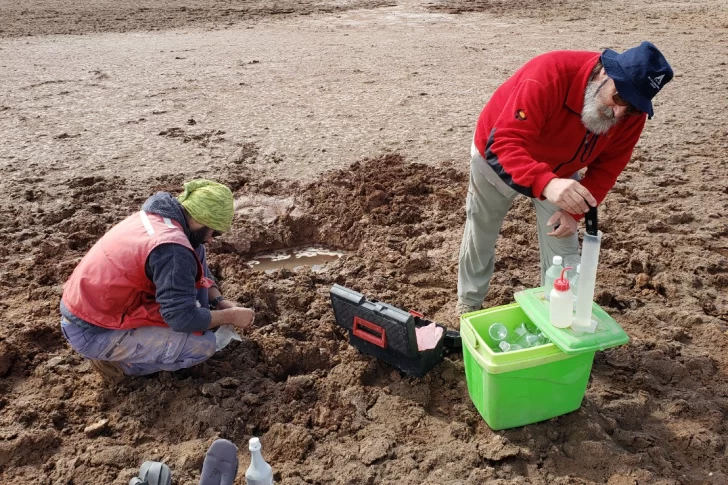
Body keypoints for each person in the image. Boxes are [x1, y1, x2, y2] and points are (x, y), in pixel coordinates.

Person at [456, 41, 673, 314]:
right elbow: (504, 143)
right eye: (619, 98)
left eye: (631, 108)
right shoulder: (548, 74)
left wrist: (575, 213)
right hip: (498, 157)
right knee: (482, 231)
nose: (619, 113)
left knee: (565, 248)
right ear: (603, 73)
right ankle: (469, 303)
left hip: (561, 174)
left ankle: (561, 314)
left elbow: (609, 167)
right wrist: (546, 183)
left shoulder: (630, 114)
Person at [60, 179, 255, 382]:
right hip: (92, 330)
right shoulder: (172, 250)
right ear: (201, 219)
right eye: (214, 232)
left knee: (198, 250)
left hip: (100, 307)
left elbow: (200, 269)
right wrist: (229, 316)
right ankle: (120, 365)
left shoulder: (164, 219)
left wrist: (219, 302)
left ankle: (149, 343)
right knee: (202, 346)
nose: (211, 239)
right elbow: (181, 319)